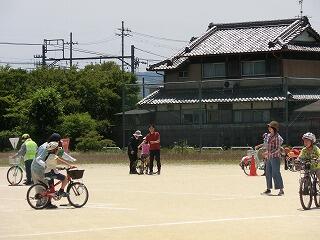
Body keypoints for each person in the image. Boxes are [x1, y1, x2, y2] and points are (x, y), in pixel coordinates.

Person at [31, 133, 63, 209]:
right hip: (40, 168)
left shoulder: (45, 145)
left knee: (39, 186)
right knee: (47, 185)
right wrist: (46, 165)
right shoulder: (47, 147)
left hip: (34, 167)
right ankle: (47, 203)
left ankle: (39, 203)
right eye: (58, 141)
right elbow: (40, 158)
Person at [261, 121, 284, 196]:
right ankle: (268, 189)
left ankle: (281, 190)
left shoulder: (277, 137)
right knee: (268, 173)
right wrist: (265, 151)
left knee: (276, 173)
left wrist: (269, 153)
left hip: (275, 157)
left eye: (270, 127)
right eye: (269, 127)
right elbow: (267, 145)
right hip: (269, 157)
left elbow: (278, 149)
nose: (269, 128)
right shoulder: (268, 136)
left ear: (274, 128)